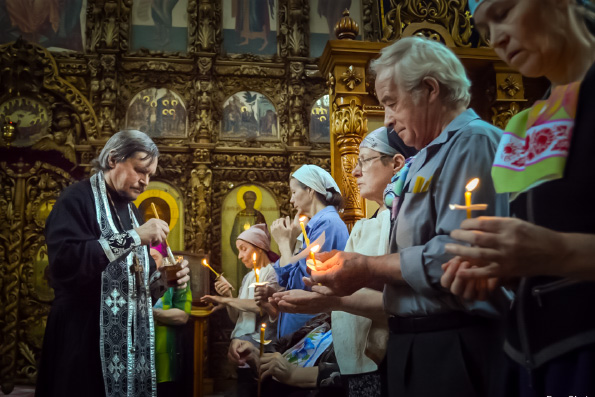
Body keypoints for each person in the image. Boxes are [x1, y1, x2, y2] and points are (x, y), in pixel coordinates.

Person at [308, 37, 510, 397]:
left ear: (430, 89)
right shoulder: (426, 159)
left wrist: (367, 267)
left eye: (391, 103)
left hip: (454, 344)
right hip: (414, 343)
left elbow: (457, 256)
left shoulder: (473, 143)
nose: (387, 119)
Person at [441, 0, 595, 395]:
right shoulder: (530, 120)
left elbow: (557, 246)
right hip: (526, 364)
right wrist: (502, 267)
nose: (496, 38)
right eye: (484, 28)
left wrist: (560, 252)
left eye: (504, 11)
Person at [35, 130, 190, 397]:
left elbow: (134, 290)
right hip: (82, 336)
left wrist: (164, 279)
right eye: (140, 170)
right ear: (112, 160)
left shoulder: (132, 212)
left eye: (150, 175)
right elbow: (65, 263)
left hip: (128, 343)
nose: (145, 182)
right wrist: (134, 236)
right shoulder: (77, 199)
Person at [271, 127, 417, 396]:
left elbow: (398, 301)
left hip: (384, 359)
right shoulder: (367, 224)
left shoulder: (404, 222)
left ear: (396, 163)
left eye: (364, 161)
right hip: (353, 361)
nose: (354, 172)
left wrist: (328, 299)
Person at [265, 164, 349, 339]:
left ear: (310, 190)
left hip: (309, 326)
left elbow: (301, 284)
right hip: (300, 324)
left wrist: (283, 243)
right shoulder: (315, 227)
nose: (291, 200)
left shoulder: (328, 224)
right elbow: (286, 278)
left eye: (294, 192)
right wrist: (291, 240)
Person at [150, 244, 191, 397]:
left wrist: (149, 312)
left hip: (166, 359)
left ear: (164, 258)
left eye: (154, 258)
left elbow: (182, 316)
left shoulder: (177, 280)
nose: (151, 263)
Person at [230, 190, 267, 286]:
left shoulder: (259, 216)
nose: (249, 201)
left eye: (251, 199)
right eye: (247, 199)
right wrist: (241, 251)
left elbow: (264, 236)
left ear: (255, 200)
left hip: (257, 254)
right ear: (244, 200)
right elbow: (234, 236)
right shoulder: (239, 216)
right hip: (243, 254)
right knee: (244, 280)